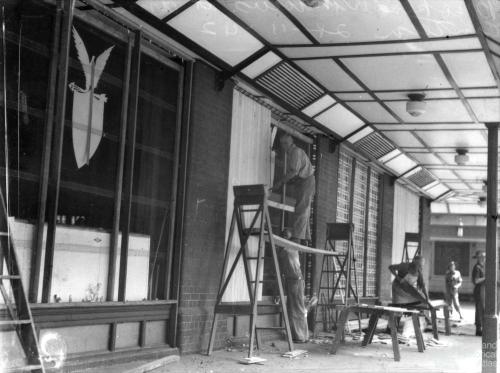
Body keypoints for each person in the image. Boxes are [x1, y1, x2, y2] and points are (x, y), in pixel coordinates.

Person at [271, 133, 316, 343]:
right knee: (300, 211)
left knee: (301, 210)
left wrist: (279, 181)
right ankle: (299, 233)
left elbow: (293, 172)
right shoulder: (290, 154)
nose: (285, 147)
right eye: (282, 145)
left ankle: (298, 234)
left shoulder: (296, 153)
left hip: (306, 181)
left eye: (286, 143)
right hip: (301, 183)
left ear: (292, 143)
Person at [472, 251, 485, 336]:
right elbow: (476, 280)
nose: (484, 258)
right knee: (479, 310)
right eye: (482, 257)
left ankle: (481, 328)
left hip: (483, 290)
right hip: (479, 290)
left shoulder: (482, 267)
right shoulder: (477, 267)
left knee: (482, 310)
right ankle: (478, 329)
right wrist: (486, 278)